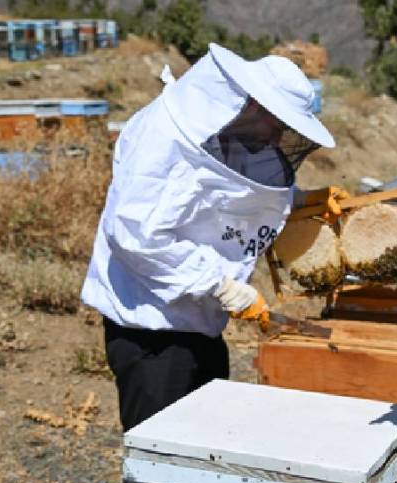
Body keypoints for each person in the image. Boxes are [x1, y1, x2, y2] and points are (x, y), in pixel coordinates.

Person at [81, 44, 334, 432]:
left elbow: (226, 198)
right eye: (278, 121)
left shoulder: (229, 133)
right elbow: (137, 236)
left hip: (200, 326)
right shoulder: (164, 139)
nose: (280, 134)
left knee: (207, 452)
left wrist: (306, 202)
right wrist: (219, 284)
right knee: (161, 462)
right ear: (255, 106)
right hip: (151, 333)